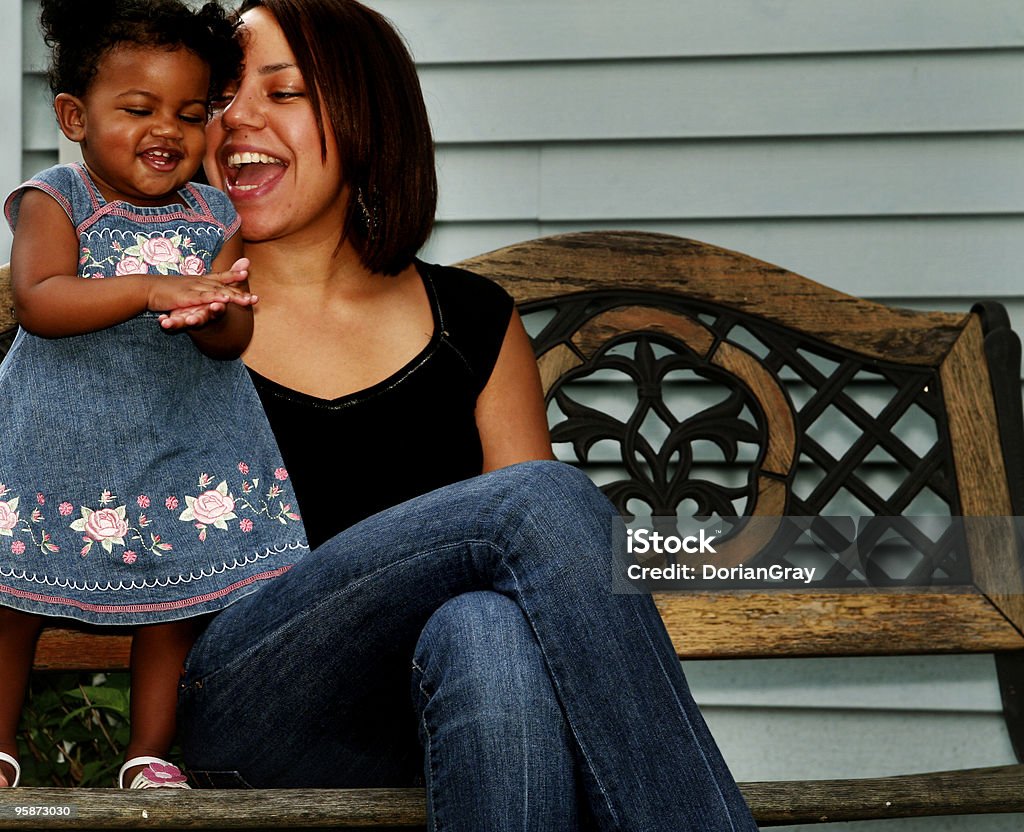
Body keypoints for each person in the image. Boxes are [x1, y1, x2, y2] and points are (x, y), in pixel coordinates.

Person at [175, 1, 759, 829]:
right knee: (539, 500)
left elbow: (541, 593)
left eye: (284, 92)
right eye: (223, 94)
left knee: (487, 630)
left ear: (365, 112)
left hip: (438, 713)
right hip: (249, 704)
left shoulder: (472, 321)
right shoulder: (168, 305)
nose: (238, 119)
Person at [0, 0, 306, 791]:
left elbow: (232, 340)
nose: (166, 129)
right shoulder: (55, 198)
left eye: (190, 113)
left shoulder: (214, 213)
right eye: (138, 109)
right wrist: (148, 290)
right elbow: (39, 298)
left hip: (179, 448)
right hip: (56, 450)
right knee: (10, 601)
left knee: (175, 602)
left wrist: (211, 317)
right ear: (75, 115)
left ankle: (151, 755)